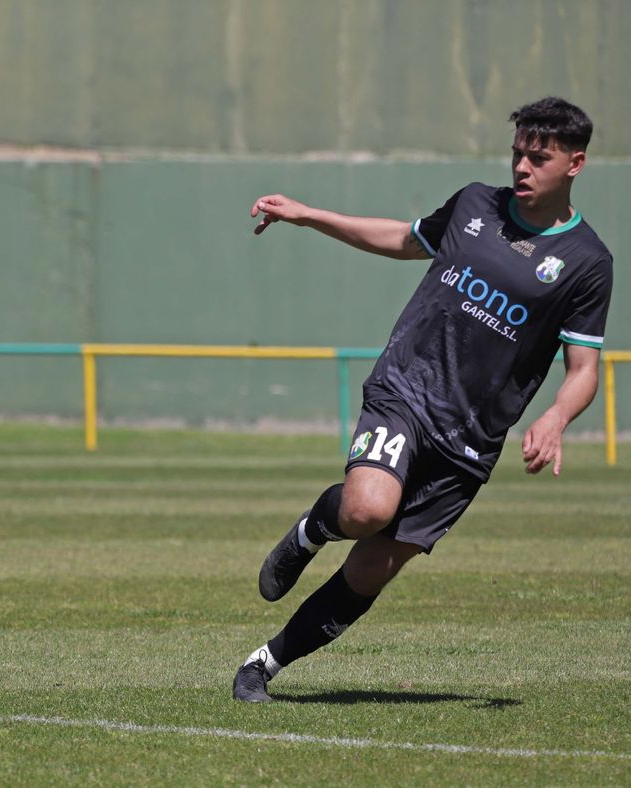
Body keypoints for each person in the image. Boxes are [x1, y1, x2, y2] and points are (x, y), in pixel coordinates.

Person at [233, 97, 613, 703]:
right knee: (366, 509)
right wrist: (308, 215)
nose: (522, 167)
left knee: (369, 570)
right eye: (518, 153)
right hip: (407, 389)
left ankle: (265, 663)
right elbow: (403, 239)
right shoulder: (474, 205)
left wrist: (557, 416)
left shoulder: (587, 262)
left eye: (538, 158)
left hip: (469, 441)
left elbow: (584, 368)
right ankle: (309, 532)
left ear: (575, 163)